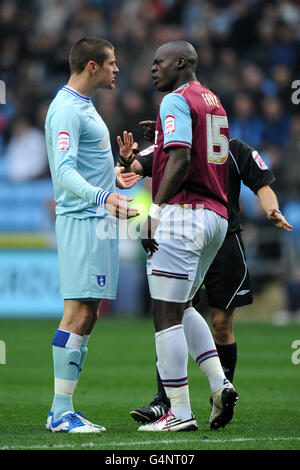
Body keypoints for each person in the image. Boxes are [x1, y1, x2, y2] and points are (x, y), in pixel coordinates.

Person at [121, 136, 292, 425]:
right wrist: (128, 161)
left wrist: (271, 209)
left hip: (224, 241)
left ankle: (221, 398)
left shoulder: (234, 149)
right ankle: (165, 402)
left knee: (220, 324)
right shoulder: (175, 147)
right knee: (172, 313)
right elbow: (135, 165)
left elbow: (262, 184)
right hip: (184, 237)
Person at [126, 40, 237, 432]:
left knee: (165, 314)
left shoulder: (174, 100)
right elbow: (188, 150)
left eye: (158, 62)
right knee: (186, 305)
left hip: (184, 215)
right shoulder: (213, 101)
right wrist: (156, 143)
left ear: (180, 62)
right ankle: (220, 383)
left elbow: (182, 157)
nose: (153, 68)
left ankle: (179, 411)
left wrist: (153, 213)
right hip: (216, 218)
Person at [44, 37, 140, 433]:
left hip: (96, 218)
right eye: (112, 63)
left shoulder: (84, 107)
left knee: (90, 313)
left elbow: (82, 165)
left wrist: (115, 173)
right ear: (91, 66)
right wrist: (104, 195)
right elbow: (64, 172)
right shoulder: (65, 109)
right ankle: (60, 411)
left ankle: (64, 408)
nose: (118, 69)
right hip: (83, 219)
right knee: (77, 312)